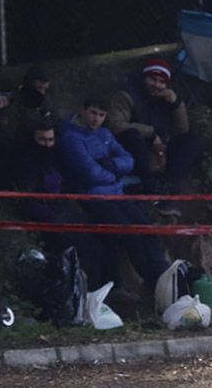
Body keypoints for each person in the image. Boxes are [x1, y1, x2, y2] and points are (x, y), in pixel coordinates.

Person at [59, 95, 169, 289]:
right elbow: (89, 171)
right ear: (82, 110)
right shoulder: (70, 138)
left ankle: (164, 274)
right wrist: (116, 174)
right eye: (93, 113)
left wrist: (111, 165)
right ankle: (154, 280)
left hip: (116, 193)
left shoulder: (104, 134)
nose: (96, 119)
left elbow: (128, 159)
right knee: (128, 232)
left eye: (101, 115)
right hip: (91, 196)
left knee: (146, 227)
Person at [14, 121, 106, 288]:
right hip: (43, 222)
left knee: (97, 240)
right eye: (42, 140)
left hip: (61, 213)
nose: (47, 145)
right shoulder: (25, 163)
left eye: (51, 140)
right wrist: (56, 219)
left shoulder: (56, 160)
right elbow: (26, 201)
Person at [105, 60, 202, 194]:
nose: (157, 85)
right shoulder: (126, 95)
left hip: (159, 150)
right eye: (153, 79)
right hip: (133, 149)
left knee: (191, 141)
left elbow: (181, 131)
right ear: (144, 78)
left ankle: (167, 184)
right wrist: (151, 134)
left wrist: (176, 105)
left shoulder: (164, 98)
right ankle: (149, 182)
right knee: (132, 136)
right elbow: (115, 125)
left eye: (161, 82)